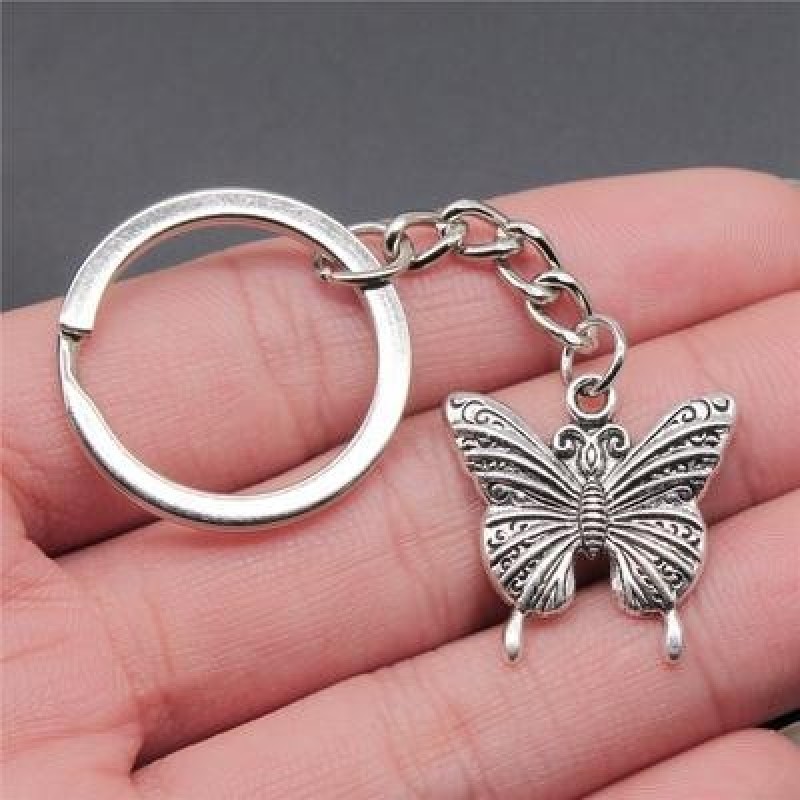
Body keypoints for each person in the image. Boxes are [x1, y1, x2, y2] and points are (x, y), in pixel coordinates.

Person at [3, 168, 799, 798]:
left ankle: (561, 614)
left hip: (547, 517)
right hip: (621, 520)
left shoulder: (510, 434)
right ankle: (617, 614)